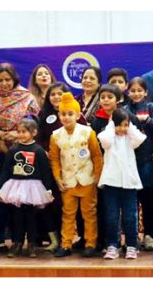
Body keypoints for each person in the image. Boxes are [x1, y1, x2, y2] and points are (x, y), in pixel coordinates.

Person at [0, 63, 39, 252]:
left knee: (22, 196)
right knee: (0, 194)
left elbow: (34, 119)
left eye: (8, 79)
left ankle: (20, 239)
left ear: (14, 80)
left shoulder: (27, 97)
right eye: (0, 80)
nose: (4, 83)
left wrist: (17, 134)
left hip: (22, 152)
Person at [49, 92, 103, 258]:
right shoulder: (55, 135)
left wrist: (97, 178)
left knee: (89, 213)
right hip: (68, 181)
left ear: (78, 115)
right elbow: (55, 160)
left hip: (87, 179)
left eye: (70, 114)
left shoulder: (88, 132)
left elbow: (96, 156)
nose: (67, 117)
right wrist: (58, 179)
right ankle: (66, 245)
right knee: (68, 214)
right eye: (63, 114)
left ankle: (90, 243)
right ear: (59, 116)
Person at [36, 82, 87, 252]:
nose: (56, 97)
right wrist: (46, 152)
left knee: (79, 206)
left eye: (60, 93)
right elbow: (39, 138)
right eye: (53, 94)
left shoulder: (78, 115)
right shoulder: (43, 115)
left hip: (76, 169)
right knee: (56, 204)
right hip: (52, 166)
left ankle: (84, 238)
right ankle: (58, 238)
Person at [0, 117, 54, 258]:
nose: (21, 134)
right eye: (19, 131)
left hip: (33, 187)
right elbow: (6, 169)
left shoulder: (39, 150)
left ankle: (32, 244)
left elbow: (45, 171)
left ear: (34, 132)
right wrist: (1, 185)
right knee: (16, 217)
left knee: (31, 217)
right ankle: (17, 243)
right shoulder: (13, 149)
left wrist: (48, 188)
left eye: (24, 132)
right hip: (16, 185)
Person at [98, 109, 146, 260]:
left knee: (130, 217)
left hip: (129, 184)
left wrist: (129, 124)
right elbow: (104, 140)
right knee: (111, 216)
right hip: (111, 184)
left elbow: (140, 138)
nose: (122, 128)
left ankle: (131, 245)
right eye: (119, 125)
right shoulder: (108, 137)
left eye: (125, 125)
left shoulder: (130, 139)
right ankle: (112, 245)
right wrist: (112, 125)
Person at [123, 77, 153, 251]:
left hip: (148, 161)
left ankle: (152, 235)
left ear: (146, 92)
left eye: (140, 90)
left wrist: (147, 121)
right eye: (133, 90)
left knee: (150, 201)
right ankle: (133, 237)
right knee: (131, 202)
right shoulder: (123, 109)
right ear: (127, 92)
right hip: (129, 162)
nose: (136, 93)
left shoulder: (152, 108)